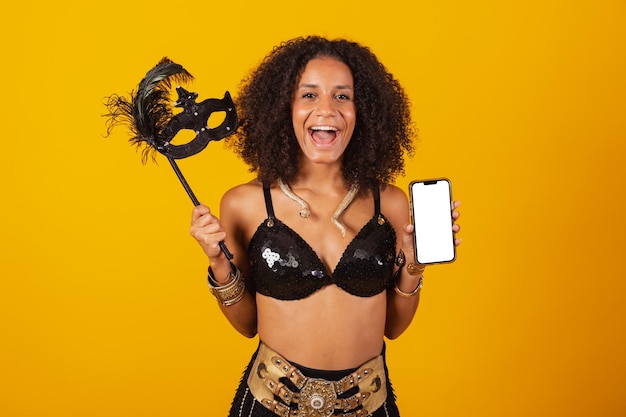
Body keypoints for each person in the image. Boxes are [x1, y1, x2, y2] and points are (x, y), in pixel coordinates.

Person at [190, 36, 461, 417]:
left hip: (369, 407)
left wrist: (413, 266)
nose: (326, 109)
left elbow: (394, 329)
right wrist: (218, 264)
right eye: (309, 95)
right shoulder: (244, 204)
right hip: (269, 407)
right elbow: (248, 325)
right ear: (285, 108)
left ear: (362, 110)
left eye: (342, 96)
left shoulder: (392, 203)